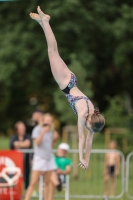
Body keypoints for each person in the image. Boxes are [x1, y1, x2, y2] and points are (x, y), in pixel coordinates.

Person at [29, 6, 105, 169]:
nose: (87, 129)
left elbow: (90, 140)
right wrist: (80, 157)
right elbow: (82, 138)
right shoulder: (84, 113)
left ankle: (42, 23)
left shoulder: (93, 114)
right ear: (91, 121)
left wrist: (87, 160)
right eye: (89, 127)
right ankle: (46, 22)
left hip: (71, 80)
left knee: (53, 52)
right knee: (52, 50)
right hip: (65, 83)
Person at [24, 113, 59, 200]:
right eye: (47, 120)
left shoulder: (51, 131)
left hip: (49, 158)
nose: (48, 122)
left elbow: (50, 146)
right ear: (43, 121)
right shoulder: (37, 129)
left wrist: (55, 139)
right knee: (33, 182)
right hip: (39, 158)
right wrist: (43, 132)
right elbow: (37, 143)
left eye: (50, 121)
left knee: (47, 183)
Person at [10, 121, 32, 190]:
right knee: (15, 177)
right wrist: (23, 144)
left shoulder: (27, 136)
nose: (23, 129)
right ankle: (15, 191)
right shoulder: (14, 137)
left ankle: (26, 192)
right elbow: (12, 145)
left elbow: (28, 144)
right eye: (21, 128)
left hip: (26, 161)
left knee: (26, 178)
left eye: (23, 128)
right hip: (15, 162)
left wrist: (18, 144)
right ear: (17, 129)